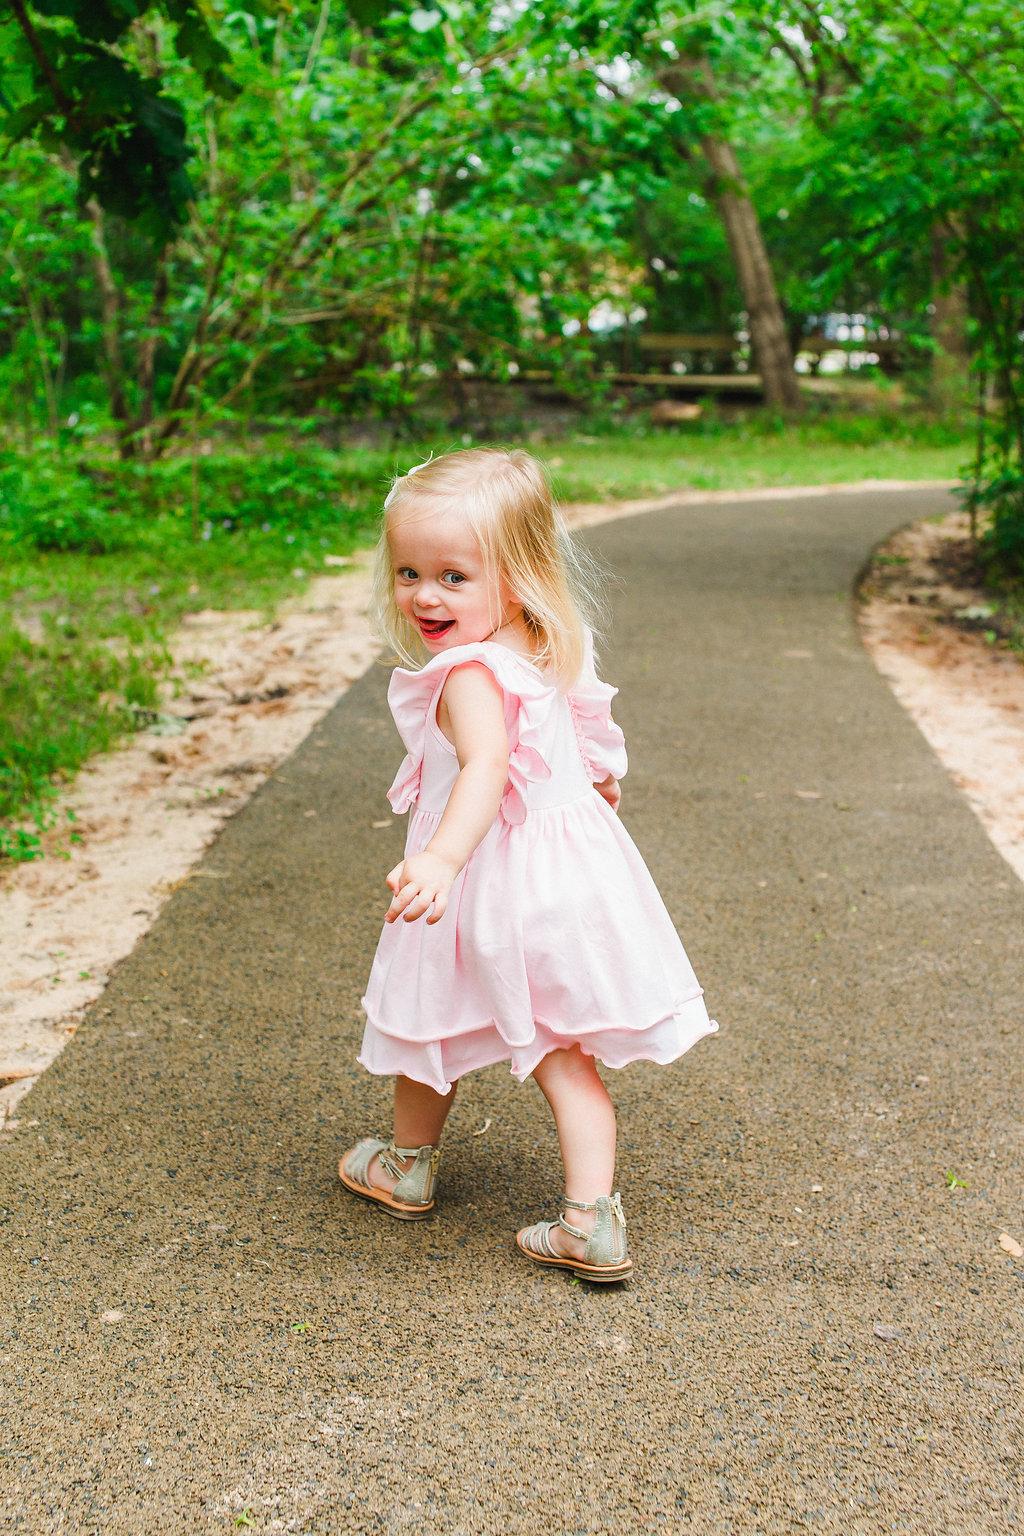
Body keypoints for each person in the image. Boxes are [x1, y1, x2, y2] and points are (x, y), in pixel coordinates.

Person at [339, 448, 717, 1281]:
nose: (425, 596)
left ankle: (406, 1165)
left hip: (483, 877)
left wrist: (440, 857)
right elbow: (584, 734)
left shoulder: (466, 674)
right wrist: (598, 781)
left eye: (453, 576)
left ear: (516, 575)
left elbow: (484, 767)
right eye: (409, 571)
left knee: (426, 1018)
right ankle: (591, 1220)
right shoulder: (544, 638)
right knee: (562, 1052)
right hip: (562, 877)